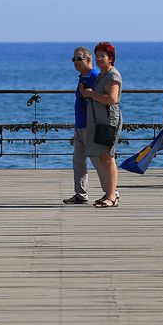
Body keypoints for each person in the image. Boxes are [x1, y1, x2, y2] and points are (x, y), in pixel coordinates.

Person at [79, 41, 122, 207]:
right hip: (99, 121)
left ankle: (112, 197)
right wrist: (88, 94)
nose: (98, 59)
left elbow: (112, 99)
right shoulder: (101, 75)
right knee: (104, 157)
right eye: (97, 56)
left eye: (102, 56)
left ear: (110, 58)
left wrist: (91, 94)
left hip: (109, 121)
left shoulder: (113, 76)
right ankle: (109, 194)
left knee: (108, 157)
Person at [63, 46, 104, 205]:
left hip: (90, 125)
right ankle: (81, 194)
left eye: (79, 59)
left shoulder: (95, 76)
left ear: (89, 60)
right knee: (78, 160)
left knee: (97, 159)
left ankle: (111, 192)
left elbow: (101, 99)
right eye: (74, 59)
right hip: (80, 125)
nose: (75, 62)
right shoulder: (83, 77)